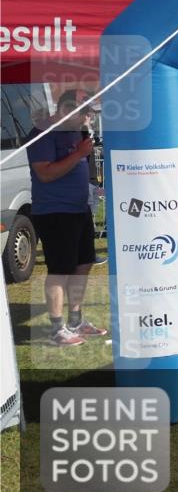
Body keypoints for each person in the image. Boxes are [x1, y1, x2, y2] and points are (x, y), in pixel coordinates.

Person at [27, 90, 108, 346]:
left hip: (79, 209)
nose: (86, 119)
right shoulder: (43, 132)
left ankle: (76, 320)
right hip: (54, 212)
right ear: (65, 109)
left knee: (83, 264)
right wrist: (79, 154)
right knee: (59, 270)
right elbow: (45, 174)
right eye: (83, 113)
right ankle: (57, 329)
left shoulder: (77, 131)